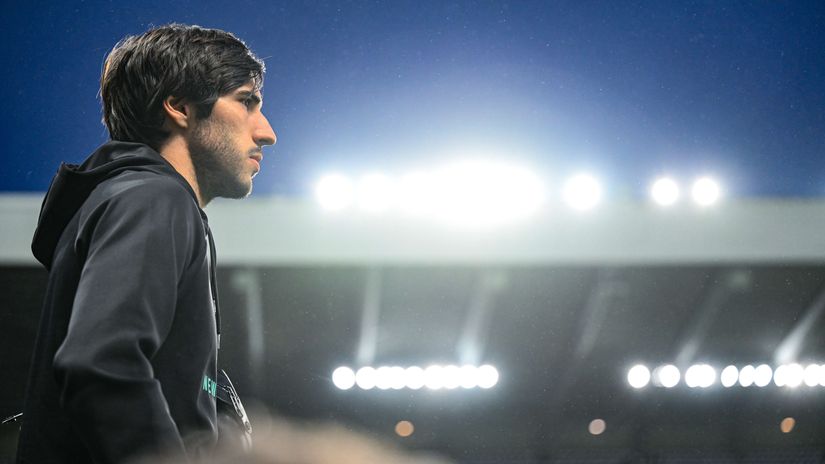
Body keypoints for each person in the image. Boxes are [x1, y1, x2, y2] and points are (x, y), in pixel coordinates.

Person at [16, 24, 276, 463]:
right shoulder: (154, 198)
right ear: (179, 106)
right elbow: (102, 363)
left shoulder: (137, 199)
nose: (266, 132)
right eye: (246, 101)